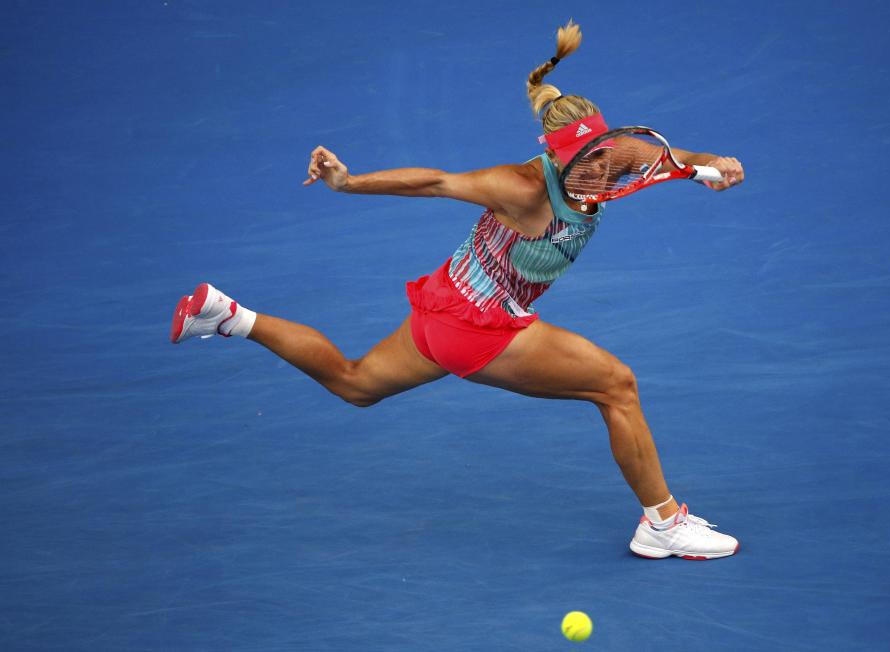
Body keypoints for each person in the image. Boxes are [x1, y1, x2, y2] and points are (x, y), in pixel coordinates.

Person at [170, 20, 745, 560]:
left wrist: (711, 164)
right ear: (551, 155)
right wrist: (347, 184)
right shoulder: (519, 187)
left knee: (355, 383)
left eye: (599, 157)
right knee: (617, 387)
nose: (594, 172)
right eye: (579, 163)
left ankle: (225, 315)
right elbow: (436, 181)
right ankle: (663, 525)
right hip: (478, 323)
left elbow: (672, 160)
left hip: (444, 306)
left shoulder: (610, 154)